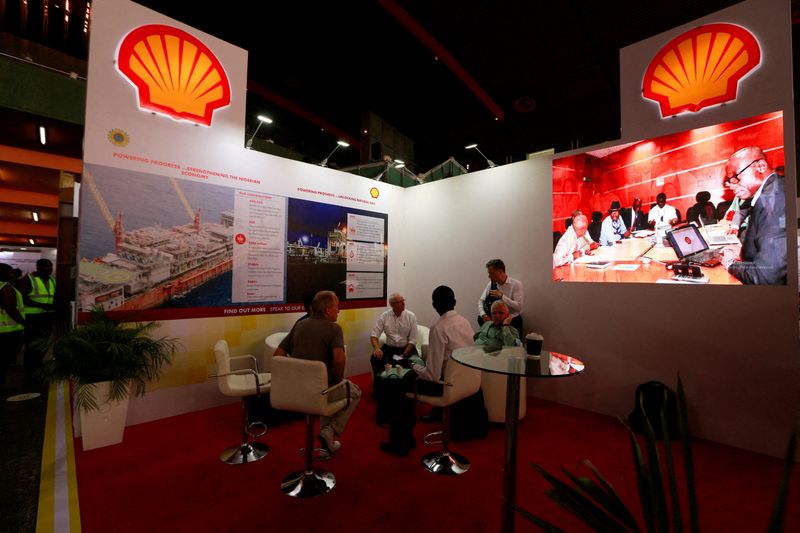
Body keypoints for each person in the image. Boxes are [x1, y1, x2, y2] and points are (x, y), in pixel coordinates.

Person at [377, 285, 474, 456]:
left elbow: (432, 375)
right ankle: (410, 434)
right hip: (466, 382)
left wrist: (412, 365)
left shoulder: (439, 328)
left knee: (397, 386)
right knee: (405, 380)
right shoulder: (465, 322)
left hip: (445, 385)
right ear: (455, 302)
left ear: (434, 305)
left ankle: (401, 442)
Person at [273, 290, 361, 454]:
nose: (339, 311)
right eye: (337, 307)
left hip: (295, 390)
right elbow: (340, 359)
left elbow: (277, 355)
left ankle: (326, 442)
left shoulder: (300, 325)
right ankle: (330, 431)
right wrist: (338, 379)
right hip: (320, 392)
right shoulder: (334, 329)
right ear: (328, 310)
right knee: (354, 391)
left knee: (327, 392)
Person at [721, 147, 786, 285]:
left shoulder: (772, 201)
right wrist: (743, 252)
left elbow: (766, 276)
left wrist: (731, 263)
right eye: (729, 180)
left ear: (761, 166)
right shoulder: (772, 190)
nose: (732, 186)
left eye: (735, 177)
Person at [17, 258, 56, 378]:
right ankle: (30, 368)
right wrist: (43, 305)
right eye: (46, 266)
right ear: (38, 267)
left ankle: (39, 365)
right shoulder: (28, 280)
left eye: (50, 266)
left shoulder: (52, 280)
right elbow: (23, 298)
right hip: (33, 316)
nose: (49, 268)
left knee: (44, 341)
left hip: (48, 316)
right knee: (32, 343)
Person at [369, 293, 418, 379]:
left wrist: (403, 355)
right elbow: (374, 335)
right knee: (374, 358)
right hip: (390, 348)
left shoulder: (411, 316)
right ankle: (379, 385)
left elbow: (412, 340)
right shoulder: (385, 316)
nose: (403, 303)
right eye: (400, 301)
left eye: (403, 301)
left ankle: (405, 389)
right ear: (392, 305)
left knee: (414, 363)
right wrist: (377, 349)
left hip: (406, 349)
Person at [477, 259, 524, 334]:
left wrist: (502, 296)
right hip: (494, 322)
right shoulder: (491, 284)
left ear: (500, 272)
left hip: (511, 321)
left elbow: (519, 307)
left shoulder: (516, 284)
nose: (489, 276)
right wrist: (483, 315)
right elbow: (481, 301)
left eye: (491, 273)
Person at [0, 263, 26, 396]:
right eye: (10, 272)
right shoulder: (5, 287)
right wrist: (24, 323)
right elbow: (10, 308)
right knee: (3, 362)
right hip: (6, 331)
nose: (13, 274)